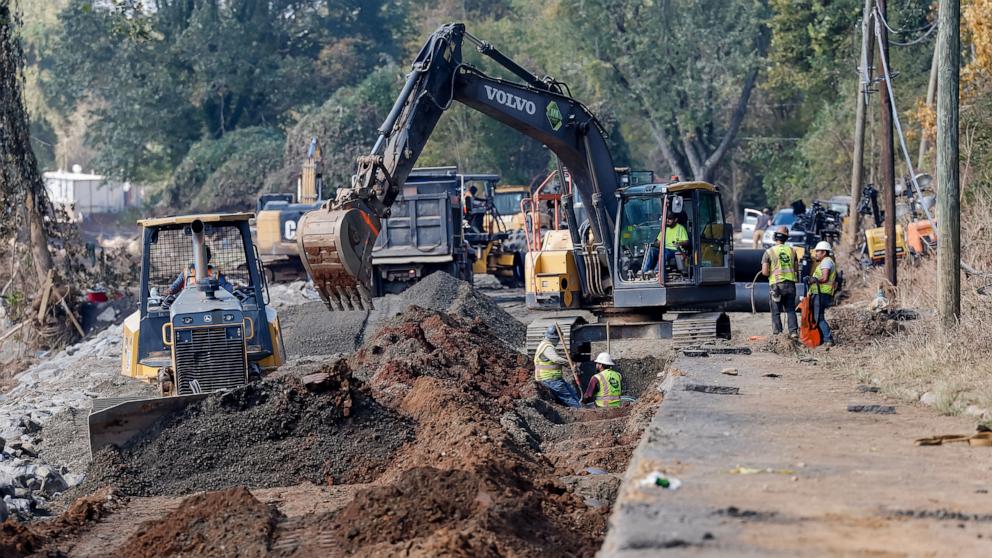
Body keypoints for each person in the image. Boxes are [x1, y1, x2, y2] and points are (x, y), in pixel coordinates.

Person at [761, 225, 799, 338]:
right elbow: (796, 269)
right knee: (791, 309)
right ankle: (793, 332)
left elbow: (765, 272)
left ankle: (778, 334)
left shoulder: (769, 252)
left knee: (776, 310)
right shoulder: (792, 251)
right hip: (791, 285)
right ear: (786, 238)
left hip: (776, 286)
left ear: (775, 237)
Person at [533, 325, 581, 407]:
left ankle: (580, 406)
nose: (558, 341)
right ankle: (580, 411)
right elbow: (556, 359)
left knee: (572, 392)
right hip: (549, 379)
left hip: (555, 378)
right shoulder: (547, 347)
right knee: (567, 396)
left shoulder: (545, 344)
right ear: (554, 338)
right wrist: (569, 363)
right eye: (558, 339)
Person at [169, 244, 233, 296]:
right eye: (199, 256)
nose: (202, 259)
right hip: (189, 303)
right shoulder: (187, 272)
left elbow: (225, 288)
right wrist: (170, 291)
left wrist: (232, 290)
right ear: (195, 257)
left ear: (209, 257)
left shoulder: (215, 273)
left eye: (204, 256)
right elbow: (175, 287)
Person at [808, 240, 837, 348]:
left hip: (822, 294)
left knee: (819, 318)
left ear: (824, 252)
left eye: (818, 251)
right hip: (820, 293)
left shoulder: (826, 262)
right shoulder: (826, 262)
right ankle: (821, 339)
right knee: (816, 317)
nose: (816, 254)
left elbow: (824, 278)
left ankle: (828, 339)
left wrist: (812, 280)